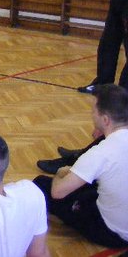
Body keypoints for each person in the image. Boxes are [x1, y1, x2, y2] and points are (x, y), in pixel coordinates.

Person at [33, 84, 128, 248]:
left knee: (41, 184)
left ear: (105, 120)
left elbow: (58, 192)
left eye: (94, 111)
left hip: (114, 233)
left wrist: (60, 173)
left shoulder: (101, 152)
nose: (92, 114)